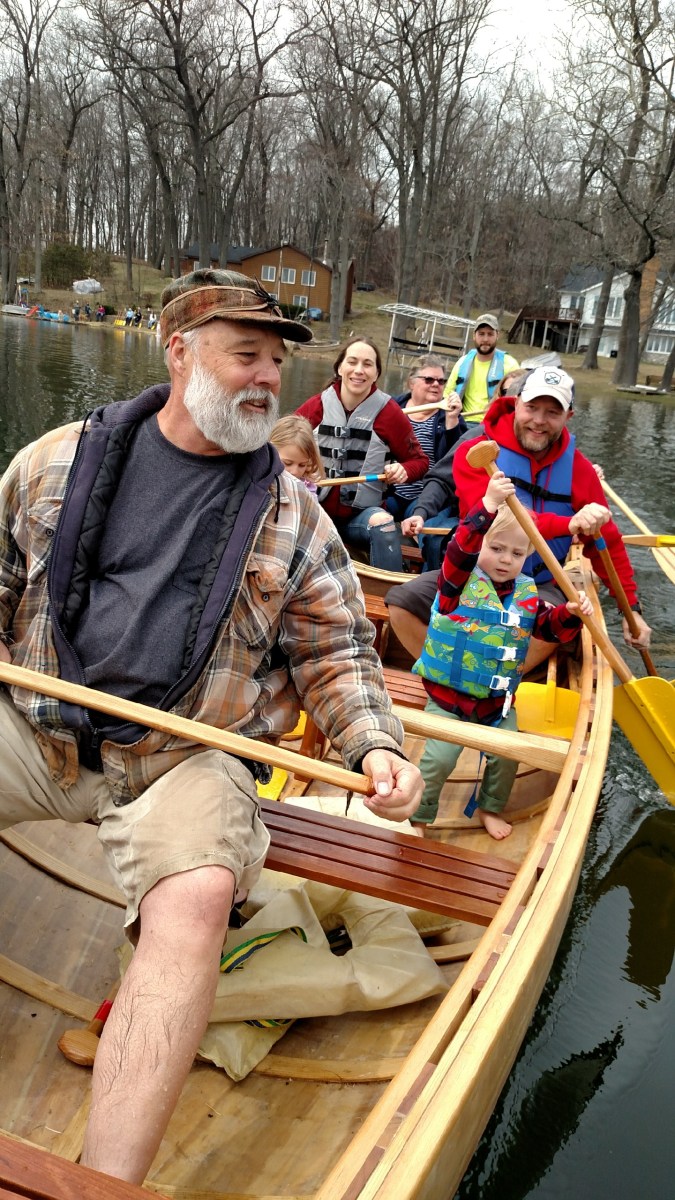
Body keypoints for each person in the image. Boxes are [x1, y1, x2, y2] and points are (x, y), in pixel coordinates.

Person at [0, 268, 424, 1185]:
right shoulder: (53, 461)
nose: (267, 378)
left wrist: (376, 744)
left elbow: (337, 654)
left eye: (275, 362)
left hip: (184, 758)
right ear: (179, 352)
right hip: (35, 730)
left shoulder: (295, 515)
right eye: (246, 355)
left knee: (195, 901)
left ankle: (102, 1186)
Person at [386, 366, 652, 666]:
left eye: (552, 412)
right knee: (401, 602)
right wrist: (569, 524)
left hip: (539, 583)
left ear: (568, 416)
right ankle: (444, 671)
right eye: (532, 408)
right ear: (516, 402)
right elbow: (498, 517)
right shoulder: (478, 450)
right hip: (472, 575)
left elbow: (608, 542)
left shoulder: (580, 470)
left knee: (560, 624)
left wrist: (631, 610)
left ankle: (499, 680)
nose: (539, 420)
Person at [411, 470, 593, 839]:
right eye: (496, 548)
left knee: (508, 754)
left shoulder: (526, 592)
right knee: (439, 759)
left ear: (527, 555)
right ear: (481, 545)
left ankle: (490, 808)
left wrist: (570, 614)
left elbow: (547, 628)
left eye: (517, 552)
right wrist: (488, 505)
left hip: (497, 703)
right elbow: (460, 549)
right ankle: (418, 817)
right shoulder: (456, 582)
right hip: (448, 699)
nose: (506, 559)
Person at [296, 337, 429, 571]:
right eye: (352, 362)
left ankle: (388, 588)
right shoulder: (316, 406)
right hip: (316, 512)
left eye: (367, 364)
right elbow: (282, 445)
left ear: (376, 373)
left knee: (384, 523)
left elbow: (419, 461)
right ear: (340, 368)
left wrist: (403, 470)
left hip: (360, 518)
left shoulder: (390, 412)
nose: (359, 370)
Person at [387, 355, 468, 571]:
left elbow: (453, 464)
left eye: (441, 381)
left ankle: (427, 578)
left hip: (427, 496)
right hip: (391, 491)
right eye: (429, 379)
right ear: (411, 383)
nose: (436, 385)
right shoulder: (392, 408)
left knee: (429, 530)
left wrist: (452, 422)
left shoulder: (449, 415)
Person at [443, 314, 519, 423]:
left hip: (494, 423)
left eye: (490, 334)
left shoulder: (510, 364)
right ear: (474, 335)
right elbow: (447, 395)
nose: (485, 339)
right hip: (462, 422)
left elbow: (517, 401)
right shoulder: (462, 362)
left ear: (497, 335)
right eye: (481, 334)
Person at [270, 413, 321, 493]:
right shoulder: (257, 484)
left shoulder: (308, 490)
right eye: (287, 463)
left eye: (302, 465)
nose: (295, 472)